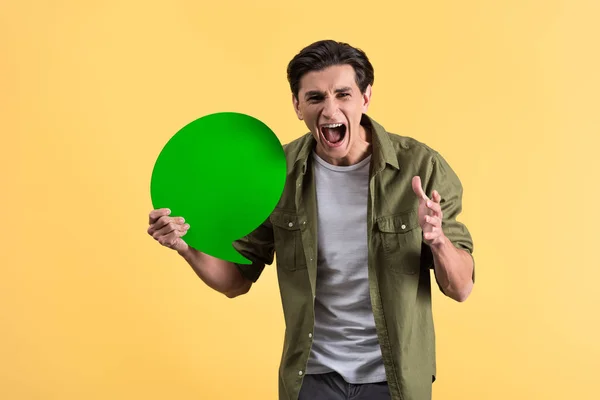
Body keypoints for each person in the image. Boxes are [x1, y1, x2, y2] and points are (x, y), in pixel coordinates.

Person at [147, 40, 475, 400]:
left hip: (395, 380)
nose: (330, 109)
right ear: (297, 105)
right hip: (313, 379)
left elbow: (460, 288)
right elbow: (235, 281)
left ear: (366, 97)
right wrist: (184, 246)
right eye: (316, 97)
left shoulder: (421, 168)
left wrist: (438, 241)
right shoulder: (277, 175)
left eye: (343, 94)